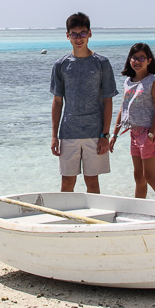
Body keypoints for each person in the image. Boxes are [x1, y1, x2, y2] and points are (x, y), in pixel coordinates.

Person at [50, 12, 119, 193]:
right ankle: (66, 212)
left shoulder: (102, 63)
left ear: (90, 33)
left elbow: (108, 100)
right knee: (67, 183)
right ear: (67, 36)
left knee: (92, 182)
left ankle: (95, 212)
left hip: (95, 133)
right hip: (68, 132)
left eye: (82, 33)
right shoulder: (60, 65)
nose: (78, 38)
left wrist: (105, 135)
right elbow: (57, 101)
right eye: (74, 34)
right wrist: (54, 136)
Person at [110, 43, 155, 200]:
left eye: (141, 58)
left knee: (150, 176)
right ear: (130, 60)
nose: (137, 61)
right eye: (134, 58)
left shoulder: (153, 82)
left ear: (149, 61)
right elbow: (123, 109)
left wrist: (151, 134)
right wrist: (114, 135)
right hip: (134, 132)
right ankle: (138, 209)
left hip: (150, 133)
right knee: (139, 177)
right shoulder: (128, 82)